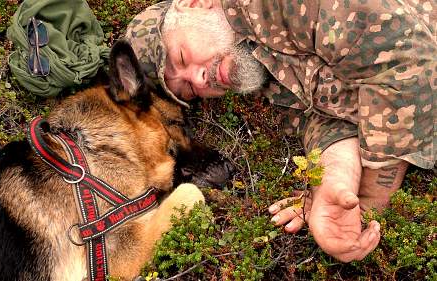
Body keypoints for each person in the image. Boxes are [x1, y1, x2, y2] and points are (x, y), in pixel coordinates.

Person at [124, 0, 435, 262]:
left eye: (181, 57)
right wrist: (330, 190)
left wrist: (369, 200)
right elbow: (327, 125)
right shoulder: (263, 77)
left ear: (196, 4)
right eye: (189, 89)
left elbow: (405, 59)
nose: (200, 78)